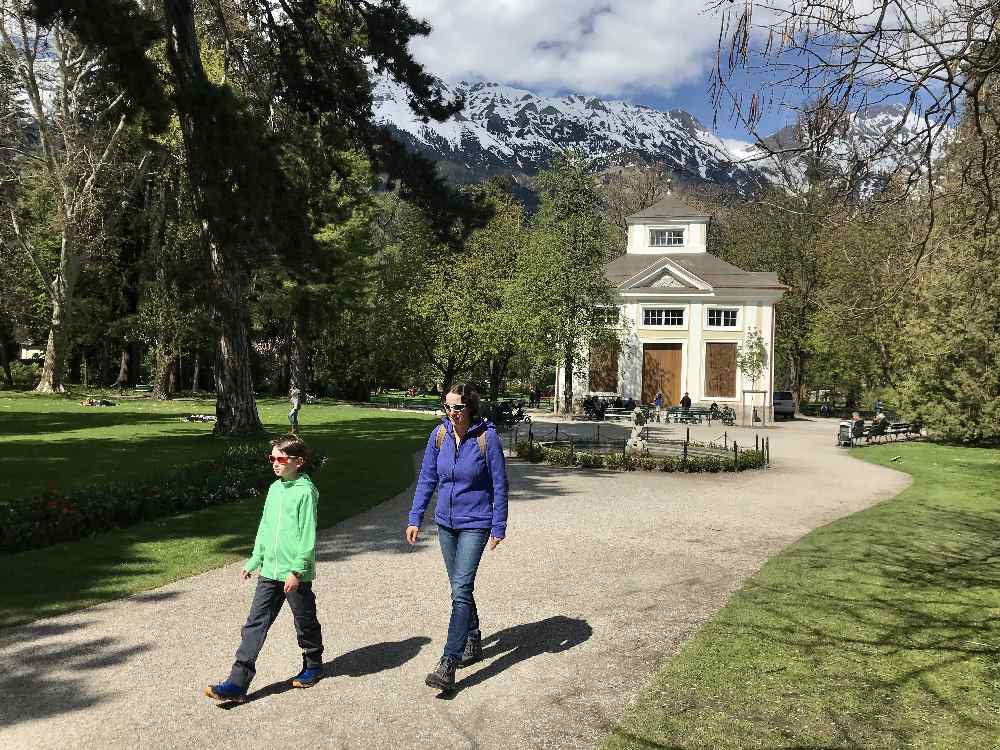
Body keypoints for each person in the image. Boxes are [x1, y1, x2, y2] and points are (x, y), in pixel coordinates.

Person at [204, 435, 324, 703]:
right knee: (254, 625)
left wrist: (297, 570)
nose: (275, 463)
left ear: (298, 462)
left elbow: (307, 536)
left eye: (281, 458)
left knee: (304, 621)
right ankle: (237, 683)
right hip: (269, 570)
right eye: (272, 458)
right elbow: (265, 528)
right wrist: (255, 559)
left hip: (295, 574)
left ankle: (313, 664)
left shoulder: (305, 492)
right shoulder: (274, 489)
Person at [405, 383, 509, 691]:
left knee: (461, 590)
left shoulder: (486, 438)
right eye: (447, 407)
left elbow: (500, 485)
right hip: (445, 524)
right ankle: (473, 640)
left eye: (458, 407)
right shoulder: (439, 437)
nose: (452, 413)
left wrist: (498, 526)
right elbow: (426, 478)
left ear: (471, 407)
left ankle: (448, 663)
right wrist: (415, 517)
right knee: (459, 588)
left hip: (476, 523)